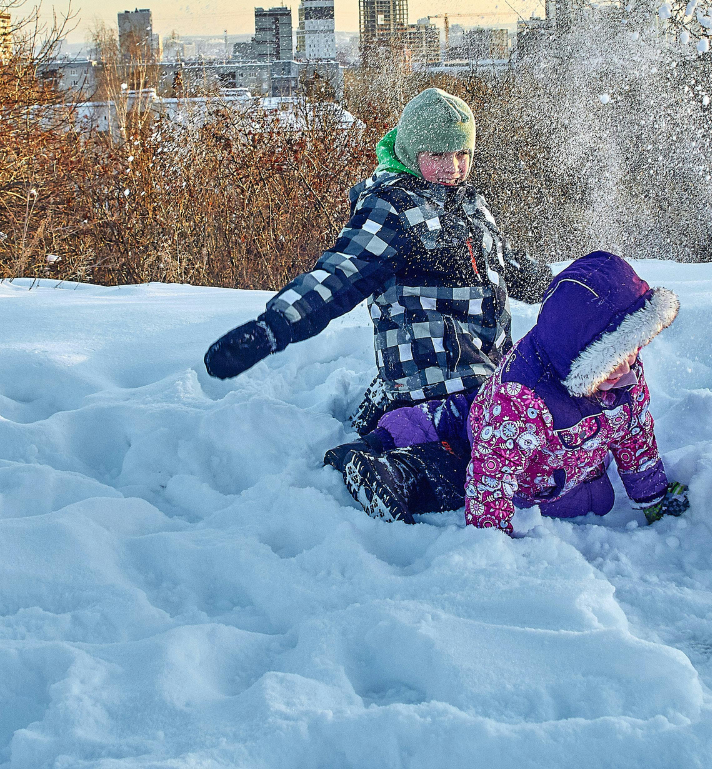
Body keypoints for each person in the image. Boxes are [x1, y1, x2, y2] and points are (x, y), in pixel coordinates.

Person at [204, 87, 552, 523]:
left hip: (476, 366)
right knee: (495, 458)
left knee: (512, 425)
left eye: (462, 153)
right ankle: (391, 470)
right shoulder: (391, 209)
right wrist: (274, 326)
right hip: (436, 371)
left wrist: (559, 286)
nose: (452, 167)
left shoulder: (470, 204)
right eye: (438, 154)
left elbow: (500, 262)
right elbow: (340, 272)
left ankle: (389, 415)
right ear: (410, 151)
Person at [464, 250, 690, 533]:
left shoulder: (624, 372)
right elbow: (493, 474)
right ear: (576, 356)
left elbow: (635, 432)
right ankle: (429, 427)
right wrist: (490, 538)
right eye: (607, 361)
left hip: (563, 447)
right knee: (598, 499)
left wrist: (653, 497)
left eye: (628, 350)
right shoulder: (525, 398)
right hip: (522, 464)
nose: (623, 368)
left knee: (601, 494)